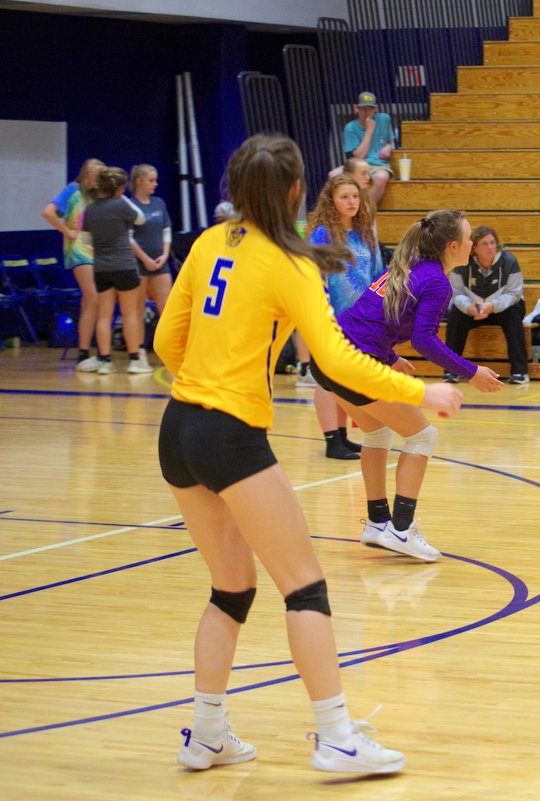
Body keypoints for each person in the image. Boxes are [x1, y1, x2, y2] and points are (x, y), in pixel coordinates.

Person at [155, 134, 463, 774]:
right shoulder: (291, 262)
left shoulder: (208, 243)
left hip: (178, 428)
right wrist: (420, 390)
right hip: (230, 433)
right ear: (296, 190)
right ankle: (337, 739)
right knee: (305, 588)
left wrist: (206, 382)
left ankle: (206, 734)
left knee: (231, 588)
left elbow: (165, 341)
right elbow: (337, 359)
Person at [311, 210, 503, 560]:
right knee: (422, 436)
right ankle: (401, 528)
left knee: (377, 433)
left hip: (329, 353)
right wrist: (471, 371)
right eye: (469, 237)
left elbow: (373, 316)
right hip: (352, 363)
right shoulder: (437, 281)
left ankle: (377, 522)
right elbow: (424, 340)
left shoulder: (412, 265)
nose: (473, 243)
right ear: (454, 246)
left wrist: (388, 356)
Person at [307, 174, 382, 458]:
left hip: (360, 321)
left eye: (354, 196)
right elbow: (311, 277)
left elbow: (376, 276)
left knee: (345, 379)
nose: (351, 202)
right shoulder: (322, 235)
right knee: (326, 379)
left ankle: (342, 436)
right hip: (331, 318)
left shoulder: (365, 233)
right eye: (344, 197)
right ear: (331, 201)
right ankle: (331, 440)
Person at [79, 167, 153, 375]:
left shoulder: (90, 210)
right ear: (119, 188)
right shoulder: (121, 205)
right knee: (130, 314)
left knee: (104, 316)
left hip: (101, 268)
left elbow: (85, 240)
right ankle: (135, 360)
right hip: (125, 266)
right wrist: (124, 199)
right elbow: (141, 219)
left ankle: (104, 360)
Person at [445, 226, 530, 384]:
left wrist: (491, 306)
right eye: (485, 244)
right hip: (473, 308)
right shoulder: (462, 263)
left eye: (493, 243)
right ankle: (451, 371)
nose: (490, 247)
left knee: (514, 313)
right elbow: (455, 292)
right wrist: (469, 307)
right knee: (455, 314)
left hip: (502, 307)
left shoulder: (509, 261)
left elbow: (514, 293)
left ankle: (520, 371)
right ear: (475, 247)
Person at [42, 158, 104, 371]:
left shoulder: (95, 196)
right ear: (87, 175)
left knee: (90, 302)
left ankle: (85, 352)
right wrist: (67, 231)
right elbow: (48, 212)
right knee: (93, 297)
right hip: (78, 251)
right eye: (97, 176)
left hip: (94, 250)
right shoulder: (73, 190)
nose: (100, 181)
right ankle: (87, 352)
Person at [128, 164, 173, 352]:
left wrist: (165, 254)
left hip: (160, 263)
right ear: (139, 182)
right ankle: (139, 353)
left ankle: (171, 350)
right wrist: (145, 259)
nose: (155, 184)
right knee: (138, 310)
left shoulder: (159, 203)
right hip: (138, 264)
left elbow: (166, 230)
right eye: (151, 180)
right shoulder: (129, 205)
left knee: (168, 309)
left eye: (156, 180)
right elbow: (128, 237)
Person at [341, 92, 393, 206]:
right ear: (356, 108)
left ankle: (366, 210)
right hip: (358, 164)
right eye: (363, 108)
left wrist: (389, 147)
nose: (367, 112)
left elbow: (390, 141)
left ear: (375, 109)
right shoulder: (350, 128)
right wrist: (369, 131)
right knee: (333, 175)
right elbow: (359, 156)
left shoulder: (384, 119)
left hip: (378, 165)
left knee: (381, 177)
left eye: (370, 108)